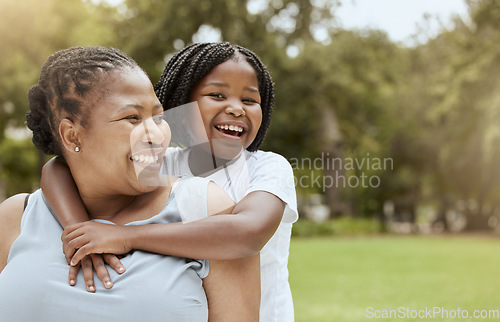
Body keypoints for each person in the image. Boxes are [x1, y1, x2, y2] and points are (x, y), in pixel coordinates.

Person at [0, 46, 260, 321]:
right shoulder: (16, 217)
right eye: (132, 118)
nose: (157, 134)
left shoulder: (206, 209)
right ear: (72, 136)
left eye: (159, 117)